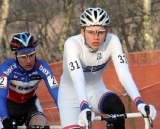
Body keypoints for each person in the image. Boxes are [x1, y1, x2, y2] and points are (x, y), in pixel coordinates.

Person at [58, 7, 157, 129]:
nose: (96, 37)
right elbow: (78, 78)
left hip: (95, 90)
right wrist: (84, 106)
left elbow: (124, 74)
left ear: (107, 32)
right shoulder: (72, 44)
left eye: (100, 32)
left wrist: (140, 103)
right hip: (70, 97)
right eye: (91, 32)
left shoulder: (112, 41)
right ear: (82, 32)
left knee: (116, 105)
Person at [0, 32, 59, 129]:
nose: (28, 61)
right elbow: (0, 97)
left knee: (41, 125)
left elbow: (57, 95)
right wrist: (5, 119)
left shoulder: (42, 67)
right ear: (14, 56)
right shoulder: (6, 69)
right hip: (7, 106)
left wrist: (66, 114)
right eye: (23, 56)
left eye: (31, 55)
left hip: (30, 105)